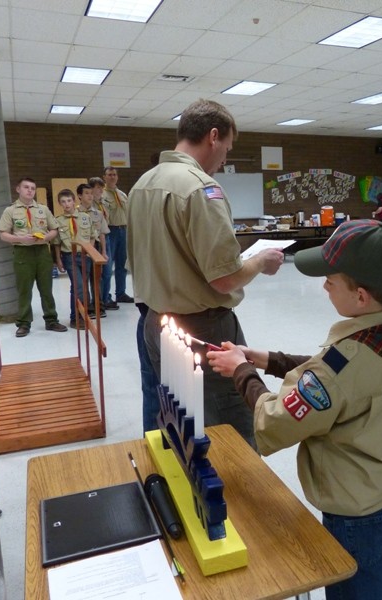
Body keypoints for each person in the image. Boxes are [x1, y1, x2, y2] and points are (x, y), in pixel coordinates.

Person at [206, 219, 382, 600]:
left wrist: (239, 371)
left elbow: (276, 420)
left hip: (356, 513)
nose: (323, 285)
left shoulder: (341, 363)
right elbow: (340, 375)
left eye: (331, 280)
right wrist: (269, 360)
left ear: (361, 297)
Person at [127, 99, 284, 447]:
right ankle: (240, 497)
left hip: (156, 321)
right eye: (227, 148)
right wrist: (260, 261)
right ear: (213, 136)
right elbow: (224, 278)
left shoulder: (142, 185)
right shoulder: (201, 189)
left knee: (176, 412)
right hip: (203, 326)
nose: (225, 158)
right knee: (233, 423)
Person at [0, 178, 68, 337]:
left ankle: (51, 320)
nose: (30, 190)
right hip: (23, 253)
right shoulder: (11, 211)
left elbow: (54, 229)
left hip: (42, 252)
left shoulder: (42, 209)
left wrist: (46, 237)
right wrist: (20, 239)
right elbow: (3, 235)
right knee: (24, 290)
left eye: (33, 188)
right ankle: (23, 323)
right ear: (18, 189)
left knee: (46, 289)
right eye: (26, 187)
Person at [53, 189, 95, 329]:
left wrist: (91, 253)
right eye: (63, 202)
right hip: (69, 256)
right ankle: (75, 318)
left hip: (85, 255)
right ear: (60, 204)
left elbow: (92, 236)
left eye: (69, 201)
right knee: (78, 286)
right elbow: (57, 243)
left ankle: (84, 314)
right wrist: (58, 260)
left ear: (74, 201)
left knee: (83, 285)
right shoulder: (58, 221)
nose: (67, 204)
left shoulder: (85, 217)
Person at [76, 183, 108, 318]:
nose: (90, 196)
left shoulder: (98, 213)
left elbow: (102, 234)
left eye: (91, 193)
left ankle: (98, 306)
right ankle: (87, 307)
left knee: (97, 279)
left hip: (96, 248)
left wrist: (104, 251)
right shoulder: (75, 213)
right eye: (86, 193)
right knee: (84, 278)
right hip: (82, 248)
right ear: (79, 196)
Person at [102, 166, 133, 304]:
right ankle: (105, 296)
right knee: (108, 266)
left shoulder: (122, 195)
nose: (112, 177)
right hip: (110, 231)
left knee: (122, 264)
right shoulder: (102, 195)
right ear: (104, 177)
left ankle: (121, 293)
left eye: (114, 174)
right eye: (109, 174)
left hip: (123, 230)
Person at [89, 176, 118, 311]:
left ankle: (106, 297)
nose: (101, 190)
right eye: (98, 187)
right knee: (99, 273)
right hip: (96, 239)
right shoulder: (90, 206)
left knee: (107, 271)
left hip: (106, 236)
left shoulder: (103, 202)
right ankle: (99, 300)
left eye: (102, 187)